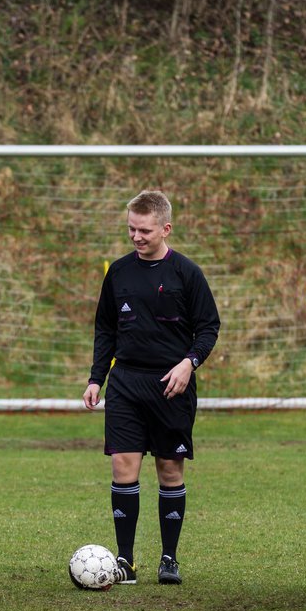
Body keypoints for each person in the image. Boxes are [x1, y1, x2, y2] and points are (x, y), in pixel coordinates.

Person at [82, 190, 220, 586]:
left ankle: (168, 559)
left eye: (144, 230)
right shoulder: (119, 272)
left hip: (170, 386)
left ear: (165, 228)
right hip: (125, 382)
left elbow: (209, 328)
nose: (136, 236)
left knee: (169, 469)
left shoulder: (187, 273)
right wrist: (96, 378)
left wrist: (188, 363)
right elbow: (105, 328)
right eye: (131, 229)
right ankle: (125, 561)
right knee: (123, 466)